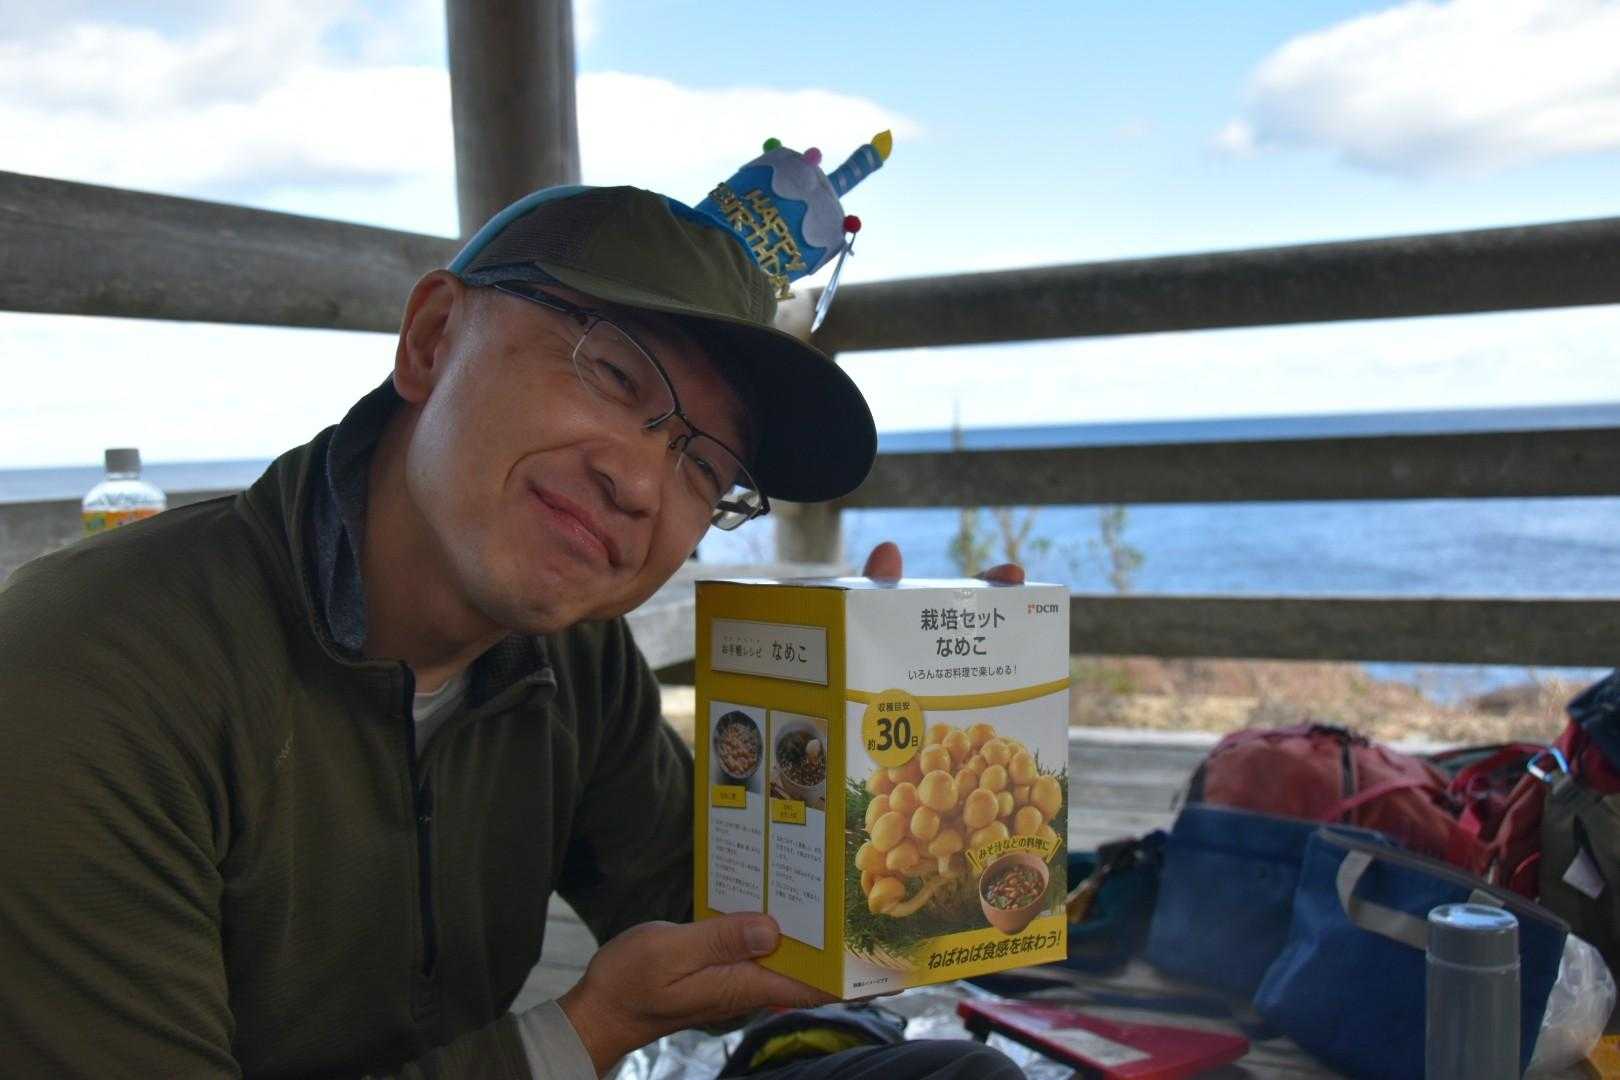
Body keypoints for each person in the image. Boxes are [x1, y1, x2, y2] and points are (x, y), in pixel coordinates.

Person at [0, 183, 1024, 1078]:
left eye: (707, 468)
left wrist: (884, 734)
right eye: (612, 373)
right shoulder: (87, 675)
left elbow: (711, 921)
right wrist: (587, 1033)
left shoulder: (570, 655)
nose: (639, 483)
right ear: (432, 340)